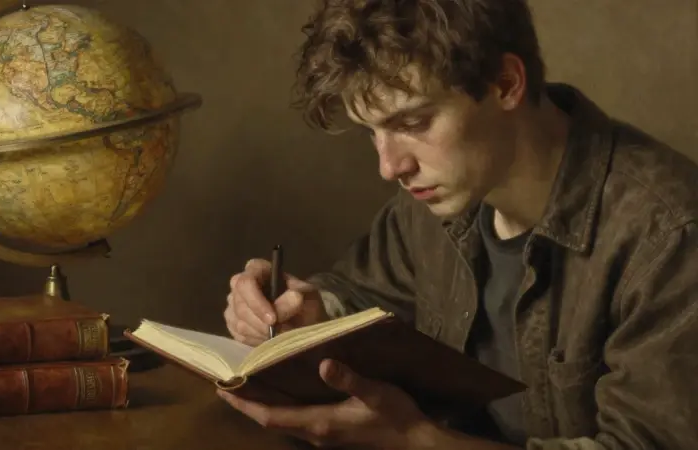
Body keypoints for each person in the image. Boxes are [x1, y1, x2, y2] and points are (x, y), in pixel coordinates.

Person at [219, 0, 698, 448]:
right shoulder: (435, 198)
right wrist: (310, 311)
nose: (390, 167)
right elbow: (362, 291)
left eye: (413, 123)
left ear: (506, 83)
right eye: (373, 131)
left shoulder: (670, 235)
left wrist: (418, 441)